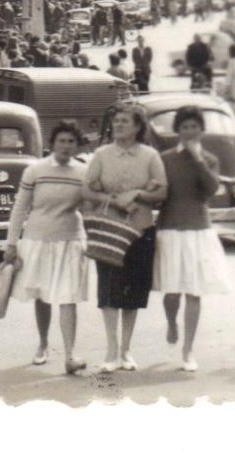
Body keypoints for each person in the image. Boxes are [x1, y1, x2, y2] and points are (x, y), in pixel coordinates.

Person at [82, 103, 167, 373]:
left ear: (138, 127)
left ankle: (126, 350)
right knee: (109, 290)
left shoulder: (150, 155)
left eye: (124, 122)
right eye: (116, 121)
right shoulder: (102, 154)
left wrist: (138, 195)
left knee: (133, 291)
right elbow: (87, 189)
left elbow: (162, 192)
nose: (118, 125)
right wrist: (112, 199)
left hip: (140, 230)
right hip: (109, 231)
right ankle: (110, 350)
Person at [5, 121, 90, 374]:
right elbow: (20, 208)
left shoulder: (83, 172)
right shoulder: (35, 171)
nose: (66, 146)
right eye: (61, 141)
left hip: (71, 241)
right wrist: (11, 243)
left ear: (77, 145)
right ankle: (42, 344)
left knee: (68, 297)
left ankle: (70, 355)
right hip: (38, 241)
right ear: (52, 144)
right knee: (42, 296)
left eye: (71, 142)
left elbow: (91, 208)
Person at [154, 106, 231, 373]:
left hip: (199, 229)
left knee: (194, 291)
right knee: (172, 292)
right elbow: (159, 192)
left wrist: (197, 160)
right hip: (171, 229)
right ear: (178, 130)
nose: (189, 132)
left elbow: (211, 189)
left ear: (201, 129)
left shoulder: (209, 158)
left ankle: (188, 349)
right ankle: (172, 321)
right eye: (184, 127)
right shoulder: (164, 159)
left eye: (193, 126)